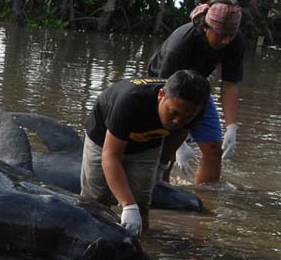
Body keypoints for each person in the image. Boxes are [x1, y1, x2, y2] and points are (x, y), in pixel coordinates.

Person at [80, 71, 211, 236]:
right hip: (103, 139)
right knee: (97, 201)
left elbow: (179, 132)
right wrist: (127, 205)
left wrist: (162, 164)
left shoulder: (196, 108)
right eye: (173, 113)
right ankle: (91, 240)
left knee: (141, 206)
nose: (178, 121)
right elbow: (111, 157)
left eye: (188, 116)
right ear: (161, 95)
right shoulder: (130, 101)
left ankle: (141, 247)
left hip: (147, 143)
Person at [147, 0, 244, 183]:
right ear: (205, 27)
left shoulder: (235, 41)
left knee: (214, 149)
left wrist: (232, 125)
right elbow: (163, 89)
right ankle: (161, 191)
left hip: (197, 89)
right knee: (166, 153)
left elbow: (230, 84)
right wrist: (179, 143)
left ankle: (206, 198)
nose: (225, 40)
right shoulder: (181, 43)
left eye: (230, 36)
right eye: (221, 35)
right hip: (163, 89)